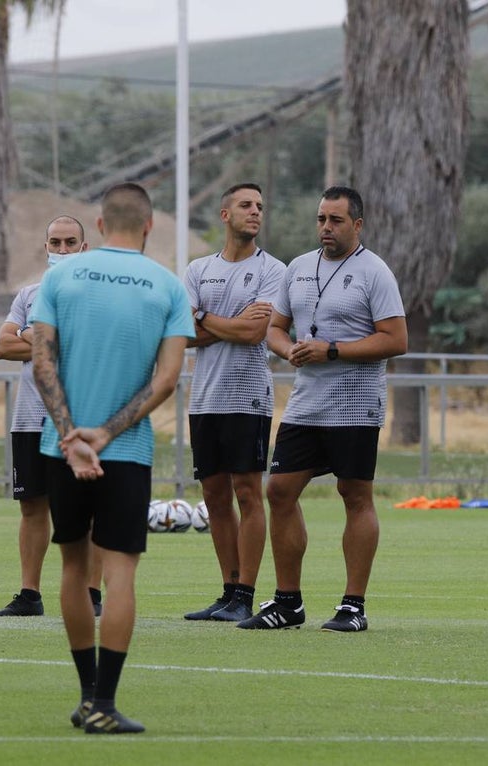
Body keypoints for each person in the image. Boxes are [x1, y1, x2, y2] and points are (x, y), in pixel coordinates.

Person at [30, 183, 193, 734]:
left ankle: (85, 697)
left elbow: (41, 365)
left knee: (74, 568)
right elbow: (168, 380)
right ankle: (104, 701)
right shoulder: (168, 286)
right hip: (125, 451)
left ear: (98, 225)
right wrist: (104, 435)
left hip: (61, 447)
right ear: (149, 227)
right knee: (119, 575)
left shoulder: (58, 277)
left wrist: (72, 437)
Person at [237, 185, 407, 633]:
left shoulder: (375, 272)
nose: (325, 228)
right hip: (306, 405)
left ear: (357, 225)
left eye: (335, 220)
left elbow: (396, 340)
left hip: (355, 406)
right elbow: (276, 326)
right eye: (320, 219)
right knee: (279, 491)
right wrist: (287, 349)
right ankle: (288, 602)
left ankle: (353, 605)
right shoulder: (298, 267)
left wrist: (333, 350)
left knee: (354, 494)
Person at [0, 215, 104, 618]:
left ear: (84, 248)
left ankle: (91, 594)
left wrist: (35, 337)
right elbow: (2, 347)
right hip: (29, 417)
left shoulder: (98, 295)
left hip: (79, 417)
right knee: (31, 506)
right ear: (45, 247)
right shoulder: (28, 295)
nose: (62, 250)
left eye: (70, 243)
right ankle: (29, 595)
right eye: (55, 243)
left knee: (87, 509)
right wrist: (44, 338)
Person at [181, 183, 285, 623]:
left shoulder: (273, 271)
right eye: (246, 205)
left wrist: (204, 316)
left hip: (247, 398)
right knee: (214, 496)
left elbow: (253, 333)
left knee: (248, 493)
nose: (255, 212)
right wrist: (220, 322)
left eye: (260, 206)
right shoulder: (197, 269)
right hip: (204, 400)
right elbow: (183, 334)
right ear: (225, 214)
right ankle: (228, 592)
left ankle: (246, 593)